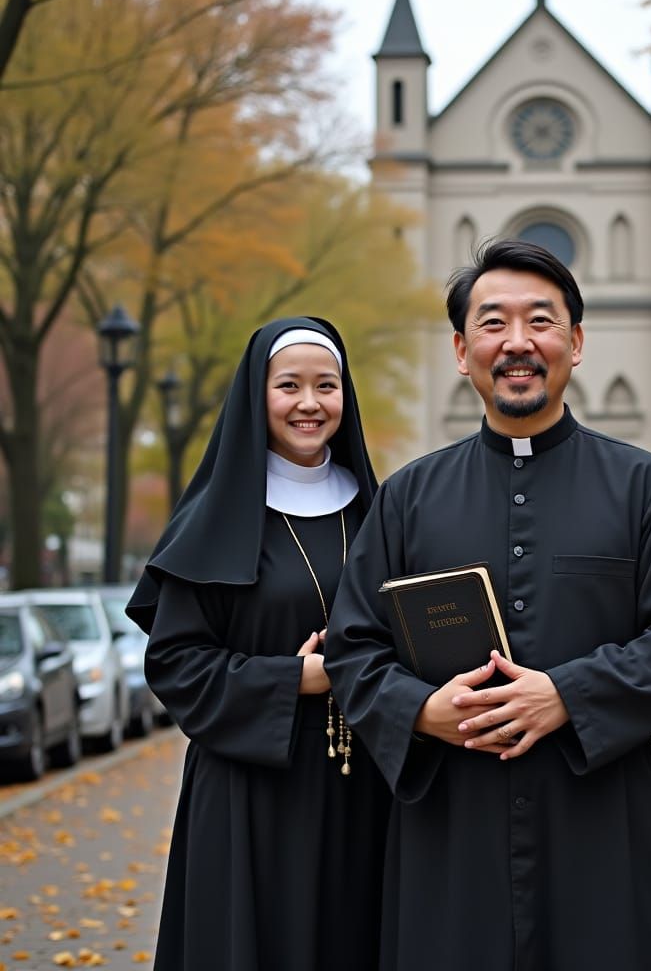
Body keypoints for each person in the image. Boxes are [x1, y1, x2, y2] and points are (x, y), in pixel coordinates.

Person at [324, 240, 651, 971]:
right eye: (492, 323)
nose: (517, 343)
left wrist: (567, 694)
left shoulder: (647, 489)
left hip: (608, 833)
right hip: (451, 834)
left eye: (540, 321)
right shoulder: (407, 499)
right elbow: (353, 649)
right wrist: (419, 710)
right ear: (459, 349)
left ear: (575, 342)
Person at [126, 316, 390, 971]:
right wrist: (290, 680)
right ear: (257, 395)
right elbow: (176, 663)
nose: (309, 403)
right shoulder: (217, 519)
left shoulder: (381, 512)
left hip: (365, 789)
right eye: (289, 386)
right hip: (251, 789)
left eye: (326, 386)